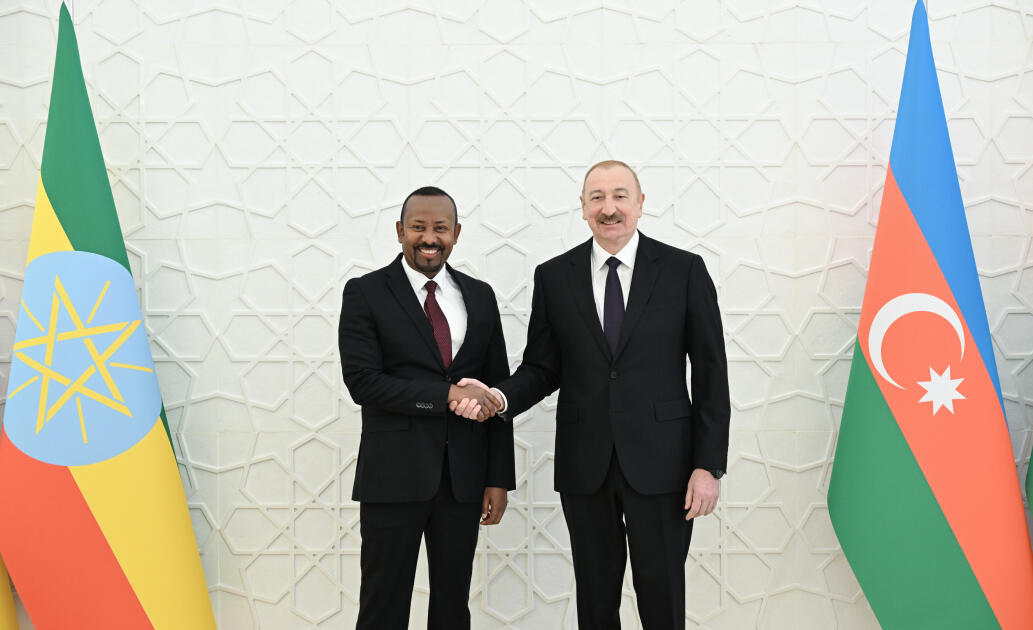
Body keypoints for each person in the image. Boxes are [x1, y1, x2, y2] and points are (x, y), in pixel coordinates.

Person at [453, 160, 730, 630]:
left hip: (665, 464)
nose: (609, 208)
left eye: (620, 195)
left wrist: (708, 465)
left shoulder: (684, 270)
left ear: (640, 204)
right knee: (595, 600)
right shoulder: (554, 276)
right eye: (597, 198)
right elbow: (543, 368)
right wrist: (497, 396)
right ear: (582, 208)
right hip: (586, 466)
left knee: (662, 595)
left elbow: (711, 373)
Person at [338, 186, 514, 630]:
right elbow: (363, 382)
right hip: (392, 476)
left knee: (453, 606)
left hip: (463, 480)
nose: (429, 238)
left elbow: (496, 390)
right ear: (400, 231)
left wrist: (498, 478)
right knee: (382, 605)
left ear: (456, 233)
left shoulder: (480, 295)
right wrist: (445, 395)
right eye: (418, 227)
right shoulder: (365, 292)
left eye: (440, 228)